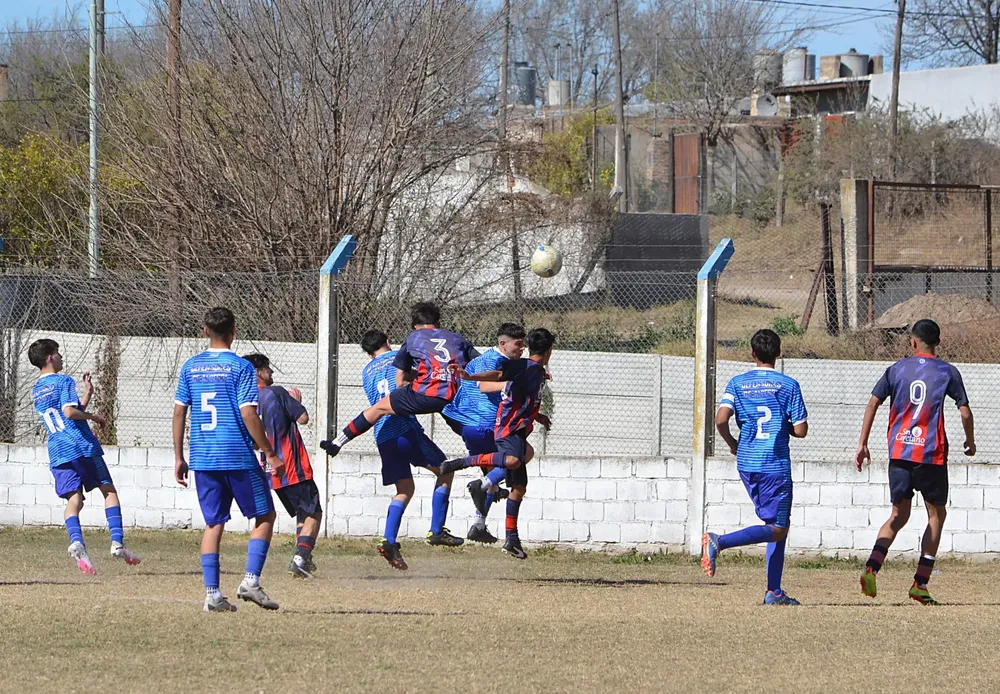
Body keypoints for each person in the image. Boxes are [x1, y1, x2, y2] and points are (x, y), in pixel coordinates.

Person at [856, 319, 975, 606]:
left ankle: (872, 568)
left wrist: (862, 443)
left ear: (913, 342)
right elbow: (965, 412)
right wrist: (970, 441)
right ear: (938, 342)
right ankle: (920, 584)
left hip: (899, 454)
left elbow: (873, 402)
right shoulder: (948, 371)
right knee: (936, 516)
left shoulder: (896, 369)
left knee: (898, 516)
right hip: (930, 455)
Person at [173, 307, 284, 613]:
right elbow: (249, 413)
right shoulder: (241, 368)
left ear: (204, 331)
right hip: (237, 455)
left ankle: (212, 595)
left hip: (203, 458)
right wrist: (271, 453)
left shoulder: (190, 367)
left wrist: (179, 457)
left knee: (213, 524)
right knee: (264, 516)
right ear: (234, 332)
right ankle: (250, 581)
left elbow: (180, 412)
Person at [702, 329, 808, 606]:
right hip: (774, 464)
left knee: (774, 524)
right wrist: (783, 425)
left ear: (752, 353)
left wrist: (732, 443)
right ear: (779, 352)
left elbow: (721, 419)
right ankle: (718, 541)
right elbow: (801, 429)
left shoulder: (737, 383)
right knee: (779, 528)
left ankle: (774, 592)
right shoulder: (788, 385)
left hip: (747, 462)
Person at [28, 339, 141, 575]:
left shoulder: (37, 389)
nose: (61, 357)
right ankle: (118, 543)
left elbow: (65, 411)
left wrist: (87, 395)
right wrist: (94, 416)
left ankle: (76, 541)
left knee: (75, 499)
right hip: (80, 446)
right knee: (108, 491)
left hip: (58, 450)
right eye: (57, 353)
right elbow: (70, 413)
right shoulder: (64, 380)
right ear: (49, 357)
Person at [441, 328, 554, 560]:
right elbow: (497, 374)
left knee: (519, 488)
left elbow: (526, 399)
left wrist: (539, 417)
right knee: (513, 460)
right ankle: (463, 464)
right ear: (550, 351)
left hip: (519, 430)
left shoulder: (537, 371)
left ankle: (511, 539)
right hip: (507, 428)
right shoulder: (524, 366)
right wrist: (469, 377)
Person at [321, 302, 486, 457]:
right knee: (472, 434)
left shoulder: (413, 338)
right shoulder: (457, 338)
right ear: (438, 322)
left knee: (378, 408)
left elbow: (400, 380)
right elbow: (481, 365)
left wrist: (423, 376)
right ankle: (491, 480)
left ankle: (337, 442)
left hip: (425, 394)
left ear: (415, 326)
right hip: (453, 395)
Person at [360, 330, 464, 570]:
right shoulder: (400, 356)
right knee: (445, 471)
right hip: (404, 427)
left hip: (382, 434)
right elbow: (418, 378)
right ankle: (437, 531)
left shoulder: (366, 372)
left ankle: (389, 539)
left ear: (368, 353)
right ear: (388, 342)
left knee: (404, 489)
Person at [441, 323, 526, 544]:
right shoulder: (497, 362)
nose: (522, 348)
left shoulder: (482, 359)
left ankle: (478, 525)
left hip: (469, 427)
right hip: (486, 425)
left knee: (493, 474)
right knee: (522, 455)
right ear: (503, 343)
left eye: (524, 344)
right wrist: (512, 385)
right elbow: (484, 386)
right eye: (518, 344)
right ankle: (481, 485)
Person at [243, 353, 321, 579]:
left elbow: (255, 441)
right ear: (258, 372)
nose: (272, 372)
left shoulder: (248, 402)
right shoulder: (277, 393)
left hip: (270, 471)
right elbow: (303, 418)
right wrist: (297, 401)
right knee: (314, 512)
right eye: (268, 368)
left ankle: (303, 558)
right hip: (292, 466)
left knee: (302, 513)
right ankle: (300, 558)